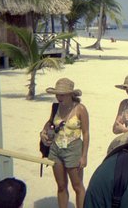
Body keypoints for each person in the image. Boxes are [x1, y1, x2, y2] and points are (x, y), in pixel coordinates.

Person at [40, 78, 90, 208]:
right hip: (56, 148)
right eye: (57, 94)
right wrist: (43, 132)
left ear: (71, 94)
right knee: (61, 186)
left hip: (73, 149)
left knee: (77, 186)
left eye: (62, 94)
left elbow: (86, 133)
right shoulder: (56, 107)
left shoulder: (80, 109)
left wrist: (84, 156)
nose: (59, 97)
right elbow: (50, 122)